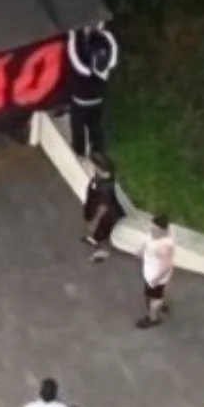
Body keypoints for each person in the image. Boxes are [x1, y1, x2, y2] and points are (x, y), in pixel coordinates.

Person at [66, 25, 117, 156]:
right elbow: (112, 46)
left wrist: (72, 34)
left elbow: (74, 55)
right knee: (95, 124)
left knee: (78, 125)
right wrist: (102, 31)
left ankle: (80, 149)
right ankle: (98, 148)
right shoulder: (108, 62)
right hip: (97, 98)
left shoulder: (83, 67)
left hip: (80, 100)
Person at [82, 153, 124, 263]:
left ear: (99, 167)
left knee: (99, 231)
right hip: (94, 207)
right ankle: (93, 239)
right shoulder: (101, 177)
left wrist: (95, 221)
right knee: (94, 229)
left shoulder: (105, 187)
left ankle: (100, 251)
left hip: (103, 215)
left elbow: (103, 207)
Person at [137, 214, 174, 329]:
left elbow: (166, 266)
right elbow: (147, 242)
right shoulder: (154, 237)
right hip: (150, 274)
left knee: (153, 298)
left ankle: (153, 318)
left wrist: (155, 280)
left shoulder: (164, 246)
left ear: (163, 231)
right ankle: (159, 302)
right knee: (153, 296)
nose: (152, 231)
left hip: (155, 278)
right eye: (151, 228)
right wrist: (140, 251)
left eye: (155, 230)